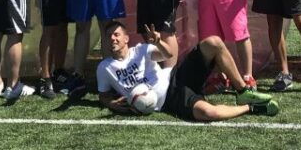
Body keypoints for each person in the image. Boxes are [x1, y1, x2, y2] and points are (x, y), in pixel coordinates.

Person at [97, 21, 278, 121]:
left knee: (213, 42)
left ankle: (242, 91)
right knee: (209, 113)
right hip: (171, 100)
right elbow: (103, 95)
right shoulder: (104, 68)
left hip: (176, 76)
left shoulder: (142, 50)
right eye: (109, 36)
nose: (112, 38)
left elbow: (168, 53)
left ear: (126, 38)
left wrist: (158, 41)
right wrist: (110, 104)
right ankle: (251, 108)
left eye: (116, 34)